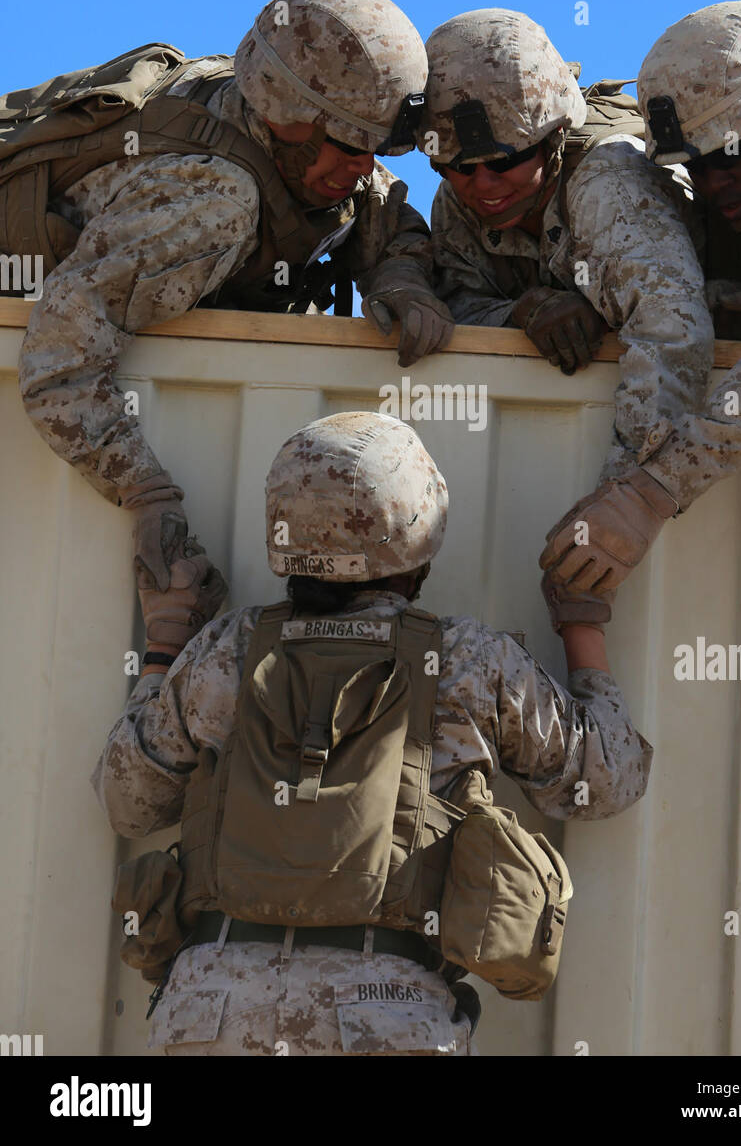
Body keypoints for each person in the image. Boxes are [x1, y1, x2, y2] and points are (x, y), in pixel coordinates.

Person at [92, 411, 652, 1056]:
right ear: (419, 536)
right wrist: (583, 622)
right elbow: (606, 783)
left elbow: (128, 804)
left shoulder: (225, 647)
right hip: (384, 1014)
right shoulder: (468, 658)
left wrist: (164, 643)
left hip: (210, 1012)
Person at [7, 0, 453, 676]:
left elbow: (389, 215)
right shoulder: (211, 200)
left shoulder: (302, 136)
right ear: (286, 117)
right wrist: (147, 494)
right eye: (347, 146)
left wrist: (399, 275)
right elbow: (58, 365)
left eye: (376, 149)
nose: (362, 167)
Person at [540, 0, 741, 611]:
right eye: (696, 164)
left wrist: (650, 491)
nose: (714, 184)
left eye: (730, 154)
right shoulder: (736, 200)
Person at [419, 7, 713, 632]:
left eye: (504, 162)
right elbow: (457, 304)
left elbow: (672, 330)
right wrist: (523, 310)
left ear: (552, 138)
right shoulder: (459, 199)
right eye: (456, 167)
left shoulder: (609, 180)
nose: (481, 185)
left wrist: (627, 503)